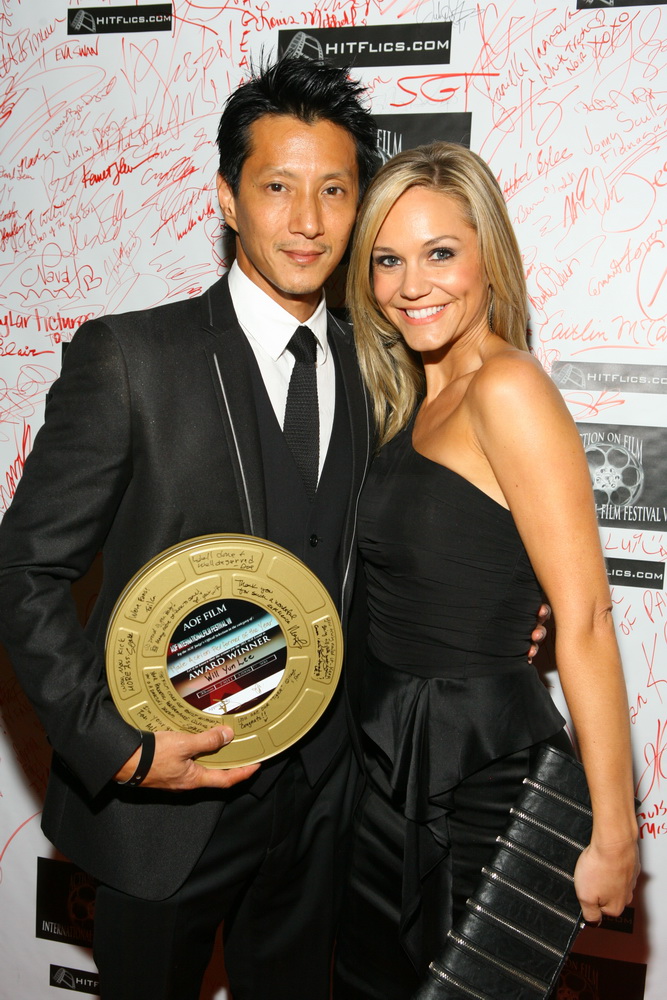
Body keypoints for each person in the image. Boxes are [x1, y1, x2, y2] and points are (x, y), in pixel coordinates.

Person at [0, 58, 379, 1000]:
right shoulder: (132, 357)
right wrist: (118, 748)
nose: (307, 220)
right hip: (166, 808)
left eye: (334, 190)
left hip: (326, 801)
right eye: (277, 187)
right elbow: (23, 570)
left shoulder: (381, 370)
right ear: (226, 197)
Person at [332, 141, 640, 999]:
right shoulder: (413, 395)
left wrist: (614, 830)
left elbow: (584, 617)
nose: (410, 285)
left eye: (439, 253)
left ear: (488, 257)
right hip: (389, 763)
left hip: (481, 778)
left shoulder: (507, 389)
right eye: (387, 260)